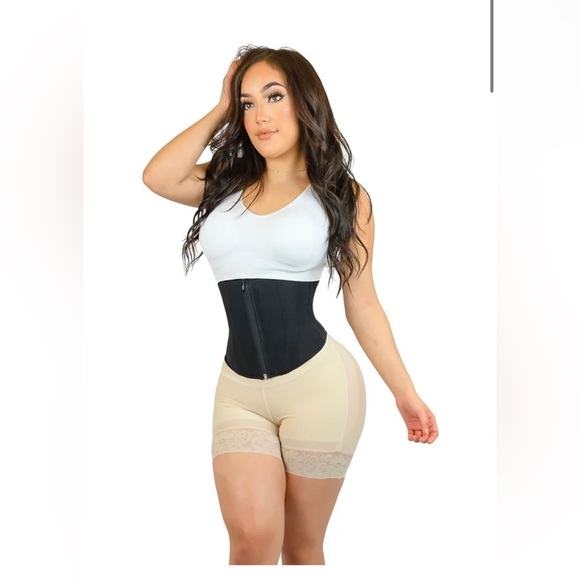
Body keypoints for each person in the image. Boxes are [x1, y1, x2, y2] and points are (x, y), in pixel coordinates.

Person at [142, 44, 439, 566]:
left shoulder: (343, 195)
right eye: (247, 102)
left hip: (319, 389)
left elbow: (363, 303)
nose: (260, 115)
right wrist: (220, 108)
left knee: (301, 549)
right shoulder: (226, 179)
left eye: (274, 96)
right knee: (251, 541)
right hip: (239, 392)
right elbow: (158, 177)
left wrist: (405, 392)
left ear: (304, 101)